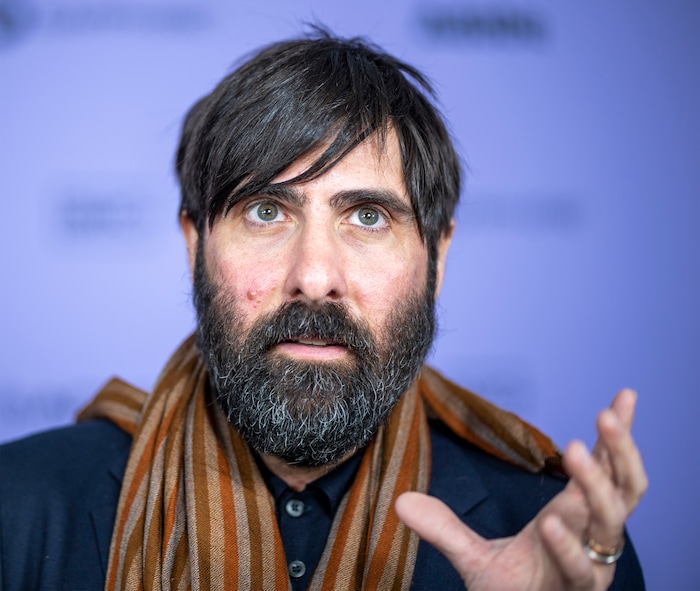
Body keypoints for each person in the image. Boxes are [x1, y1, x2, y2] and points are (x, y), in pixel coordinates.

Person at [0, 31, 647, 590]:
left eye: (367, 217)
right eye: (266, 211)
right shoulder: (21, 506)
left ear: (438, 257)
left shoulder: (551, 534)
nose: (313, 277)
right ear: (194, 245)